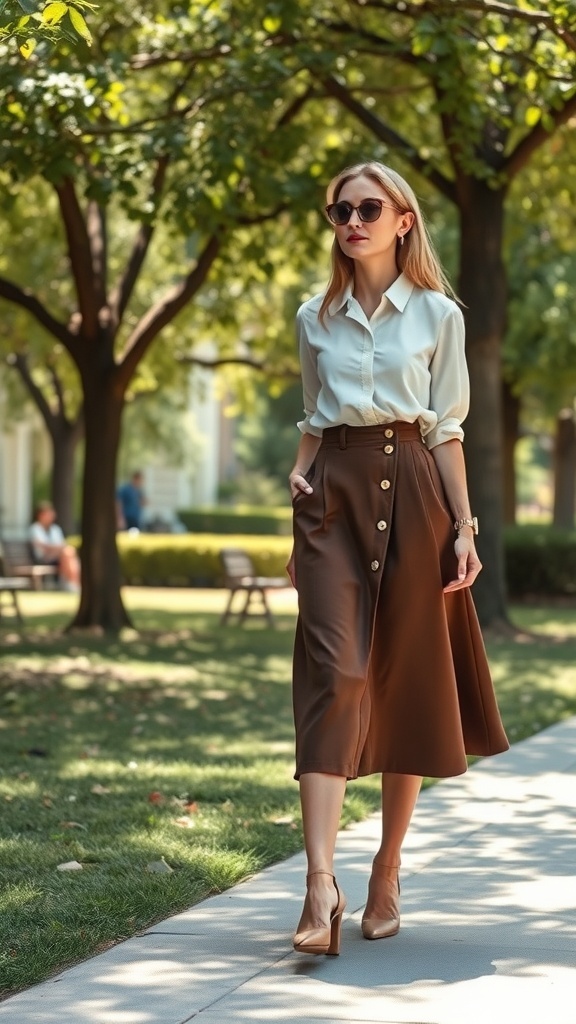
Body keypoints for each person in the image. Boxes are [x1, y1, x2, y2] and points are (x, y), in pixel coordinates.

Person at [287, 161, 509, 957]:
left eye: (368, 207)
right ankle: (319, 886)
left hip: (414, 487)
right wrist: (301, 471)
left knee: (404, 678)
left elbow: (445, 428)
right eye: (339, 209)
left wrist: (465, 528)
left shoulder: (440, 316)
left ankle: (385, 868)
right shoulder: (314, 314)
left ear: (403, 220)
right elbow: (315, 413)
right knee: (336, 674)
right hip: (331, 498)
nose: (351, 220)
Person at [30, 501, 81, 593]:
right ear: (41, 515)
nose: (51, 516)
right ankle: (74, 583)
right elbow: (44, 547)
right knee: (68, 552)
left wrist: (58, 548)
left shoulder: (55, 529)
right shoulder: (35, 528)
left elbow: (58, 545)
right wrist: (58, 548)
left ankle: (73, 583)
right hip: (43, 558)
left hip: (57, 558)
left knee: (68, 553)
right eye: (48, 514)